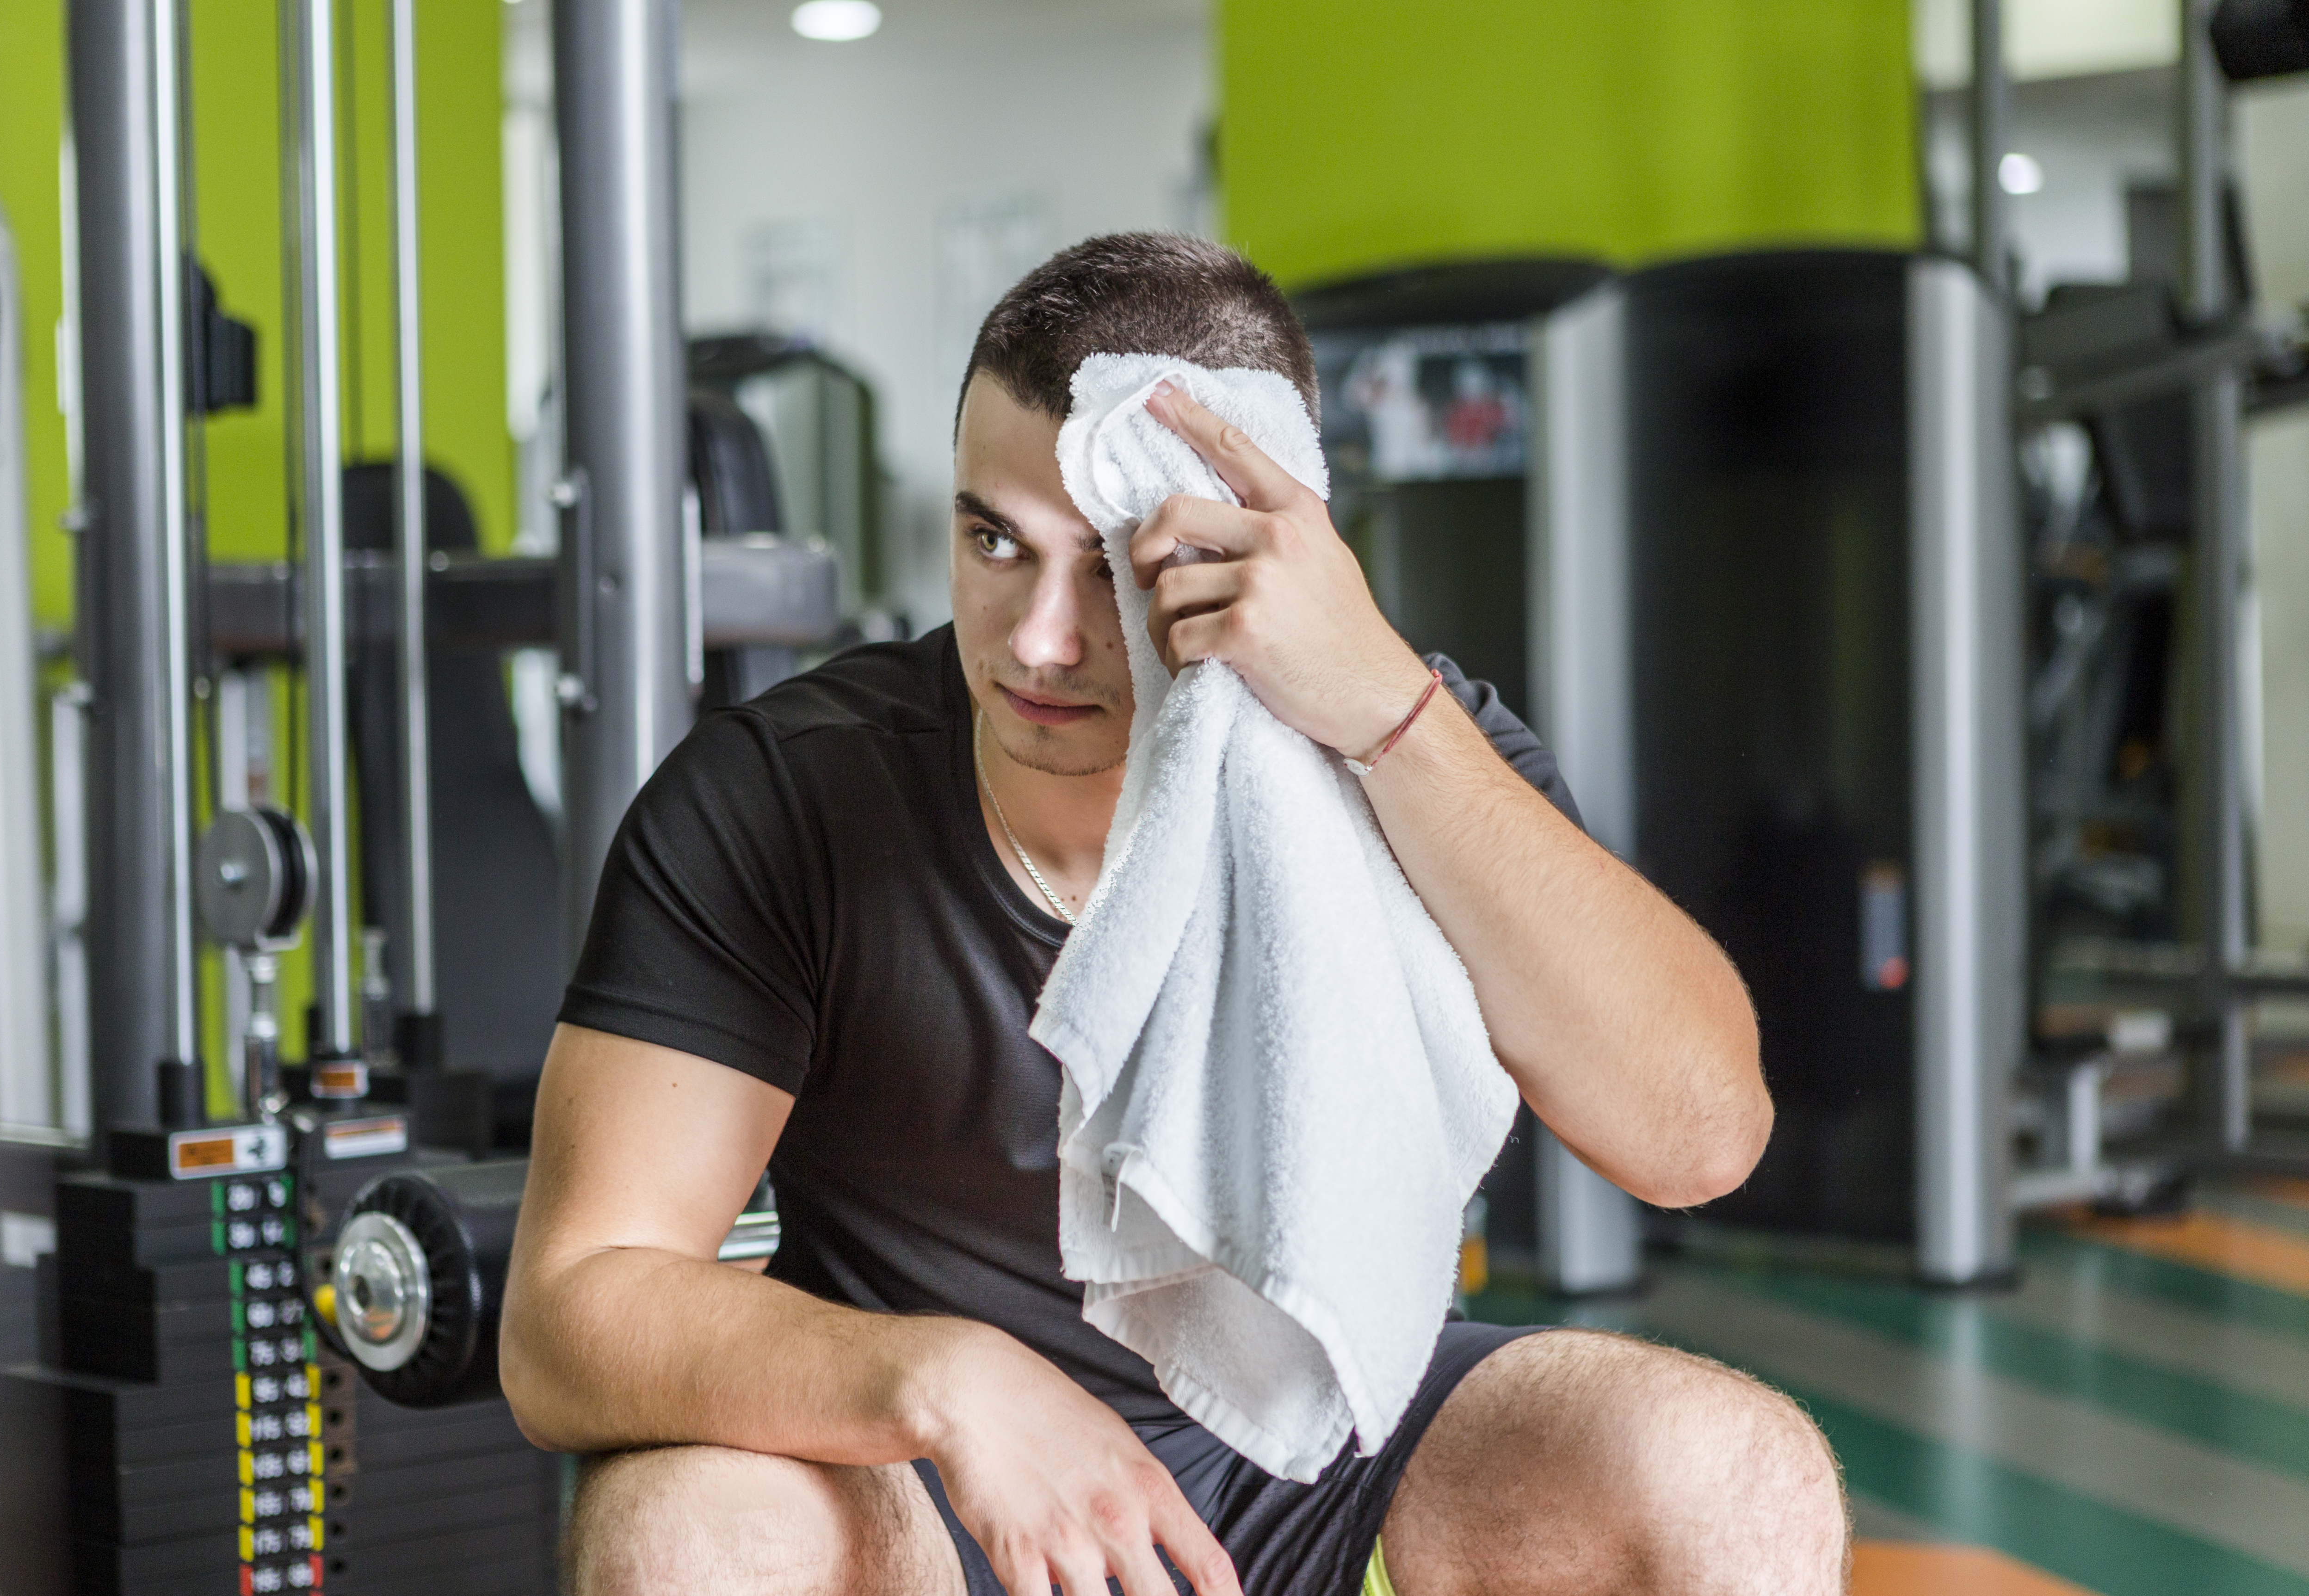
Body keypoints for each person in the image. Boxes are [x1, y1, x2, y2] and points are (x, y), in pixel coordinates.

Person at [501, 232, 1848, 1596]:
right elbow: (568, 1316)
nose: (1036, 639)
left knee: (1734, 1478)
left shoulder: (1413, 754)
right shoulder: (783, 797)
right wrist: (945, 1378)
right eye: (992, 542)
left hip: (1330, 1461)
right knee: (686, 1529)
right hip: (940, 1493)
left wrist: (1386, 710)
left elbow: (1700, 1136)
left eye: (1107, 565)